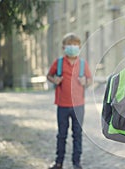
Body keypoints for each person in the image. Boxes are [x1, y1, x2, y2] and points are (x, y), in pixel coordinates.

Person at [47, 33, 92, 169]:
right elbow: (49, 75)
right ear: (63, 47)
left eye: (75, 45)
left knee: (77, 134)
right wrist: (54, 80)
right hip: (62, 105)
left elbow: (90, 80)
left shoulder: (83, 64)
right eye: (69, 44)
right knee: (62, 134)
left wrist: (86, 81)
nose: (72, 47)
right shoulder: (59, 62)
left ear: (79, 47)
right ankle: (59, 162)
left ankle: (76, 162)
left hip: (79, 106)